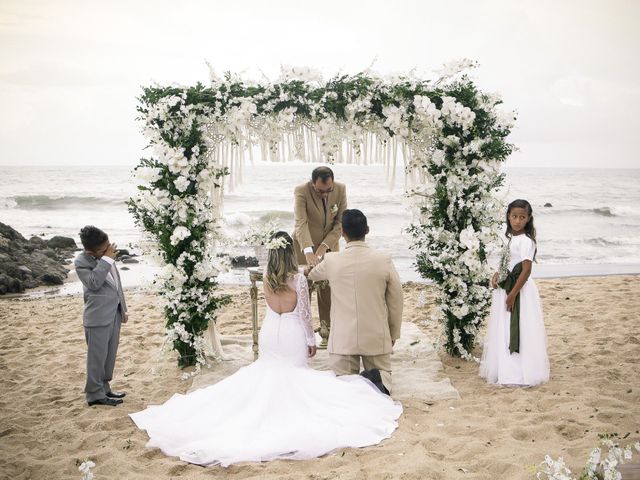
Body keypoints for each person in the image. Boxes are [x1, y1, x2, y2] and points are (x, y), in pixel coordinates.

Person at [129, 232, 401, 467]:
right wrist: (310, 340)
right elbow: (305, 315)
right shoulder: (297, 280)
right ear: (289, 253)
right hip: (293, 332)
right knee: (294, 377)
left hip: (271, 332)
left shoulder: (267, 279)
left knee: (267, 373)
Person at [307, 209, 403, 395]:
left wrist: (307, 266)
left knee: (343, 388)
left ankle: (355, 389)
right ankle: (376, 384)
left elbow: (312, 274)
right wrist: (392, 333)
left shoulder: (332, 260)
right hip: (375, 336)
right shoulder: (383, 260)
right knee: (383, 384)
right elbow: (396, 299)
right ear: (367, 230)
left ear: (342, 232)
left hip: (343, 339)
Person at [479, 199, 550, 386]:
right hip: (508, 287)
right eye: (514, 217)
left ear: (528, 219)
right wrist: (497, 275)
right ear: (508, 217)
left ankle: (518, 372)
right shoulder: (511, 240)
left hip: (520, 290)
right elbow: (508, 264)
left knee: (519, 327)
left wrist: (513, 294)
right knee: (505, 328)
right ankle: (506, 367)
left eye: (522, 217)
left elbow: (526, 270)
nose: (517, 221)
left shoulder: (526, 241)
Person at [293, 166, 347, 346]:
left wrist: (324, 247)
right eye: (320, 191)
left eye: (328, 190)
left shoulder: (340, 189)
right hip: (303, 245)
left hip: (330, 246)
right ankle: (303, 334)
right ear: (312, 183)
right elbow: (301, 223)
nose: (325, 194)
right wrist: (308, 251)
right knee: (304, 287)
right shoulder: (301, 191)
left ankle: (328, 331)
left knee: (328, 288)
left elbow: (340, 223)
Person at [75, 226, 128, 407]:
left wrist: (123, 309)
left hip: (114, 312)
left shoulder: (107, 257)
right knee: (96, 358)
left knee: (109, 355)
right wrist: (106, 259)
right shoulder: (81, 262)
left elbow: (116, 283)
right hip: (97, 317)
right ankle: (94, 394)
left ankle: (104, 388)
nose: (109, 249)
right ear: (93, 251)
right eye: (104, 248)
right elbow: (94, 283)